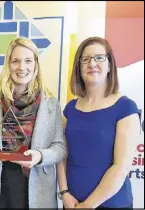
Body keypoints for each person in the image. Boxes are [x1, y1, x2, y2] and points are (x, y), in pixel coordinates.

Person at [0, 36, 67, 208]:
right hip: (0, 186)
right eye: (15, 61)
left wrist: (40, 156)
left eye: (28, 60)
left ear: (36, 65)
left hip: (37, 185)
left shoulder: (51, 104)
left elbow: (60, 148)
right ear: (8, 65)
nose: (22, 67)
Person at [56, 37, 140, 209]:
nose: (92, 63)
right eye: (85, 59)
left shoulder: (125, 107)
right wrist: (64, 193)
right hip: (72, 203)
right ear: (78, 68)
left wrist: (88, 205)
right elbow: (61, 155)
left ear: (110, 65)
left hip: (112, 204)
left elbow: (120, 167)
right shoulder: (70, 109)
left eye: (99, 58)